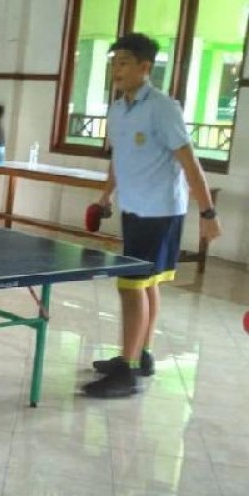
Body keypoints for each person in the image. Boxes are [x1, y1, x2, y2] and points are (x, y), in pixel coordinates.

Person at [83, 33, 222, 398]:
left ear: (145, 67)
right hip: (134, 209)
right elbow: (119, 159)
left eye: (124, 62)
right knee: (147, 284)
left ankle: (126, 373)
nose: (117, 69)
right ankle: (140, 355)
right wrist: (106, 196)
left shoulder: (163, 108)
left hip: (160, 213)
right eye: (114, 63)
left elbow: (189, 162)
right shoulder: (118, 109)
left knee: (130, 286)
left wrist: (207, 211)